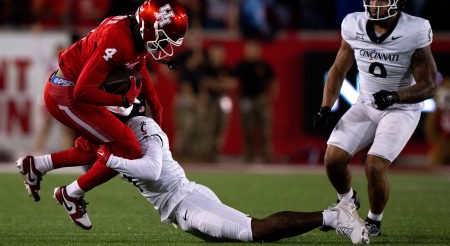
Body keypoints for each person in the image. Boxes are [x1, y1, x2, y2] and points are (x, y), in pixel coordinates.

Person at [51, 96, 369, 244]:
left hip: (186, 201)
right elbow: (87, 151)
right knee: (242, 235)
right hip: (180, 206)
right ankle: (333, 217)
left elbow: (151, 168)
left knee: (254, 231)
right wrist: (41, 168)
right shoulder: (119, 137)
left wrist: (111, 161)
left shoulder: (143, 127)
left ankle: (335, 217)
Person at [16, 0, 188, 230]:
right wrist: (122, 99)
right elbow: (81, 91)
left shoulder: (134, 32)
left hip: (71, 90)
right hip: (64, 95)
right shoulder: (118, 40)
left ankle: (35, 166)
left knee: (98, 149)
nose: (165, 46)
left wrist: (154, 102)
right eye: (164, 38)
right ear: (149, 27)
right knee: (127, 149)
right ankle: (70, 194)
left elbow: (138, 63)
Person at [314, 0, 437, 237]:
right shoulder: (353, 24)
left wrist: (396, 96)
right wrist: (326, 106)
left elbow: (429, 85)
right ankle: (347, 201)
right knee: (333, 160)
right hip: (366, 102)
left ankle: (374, 220)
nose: (374, 3)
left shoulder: (414, 30)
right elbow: (337, 69)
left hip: (401, 108)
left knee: (374, 165)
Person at [230, 40, 277, 163]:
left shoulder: (263, 65)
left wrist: (271, 97)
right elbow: (234, 82)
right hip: (246, 100)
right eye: (248, 49)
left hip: (261, 99)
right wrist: (237, 98)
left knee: (265, 129)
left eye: (253, 49)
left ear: (258, 51)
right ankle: (248, 155)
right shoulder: (241, 65)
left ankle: (266, 155)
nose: (251, 52)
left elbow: (273, 82)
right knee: (247, 129)